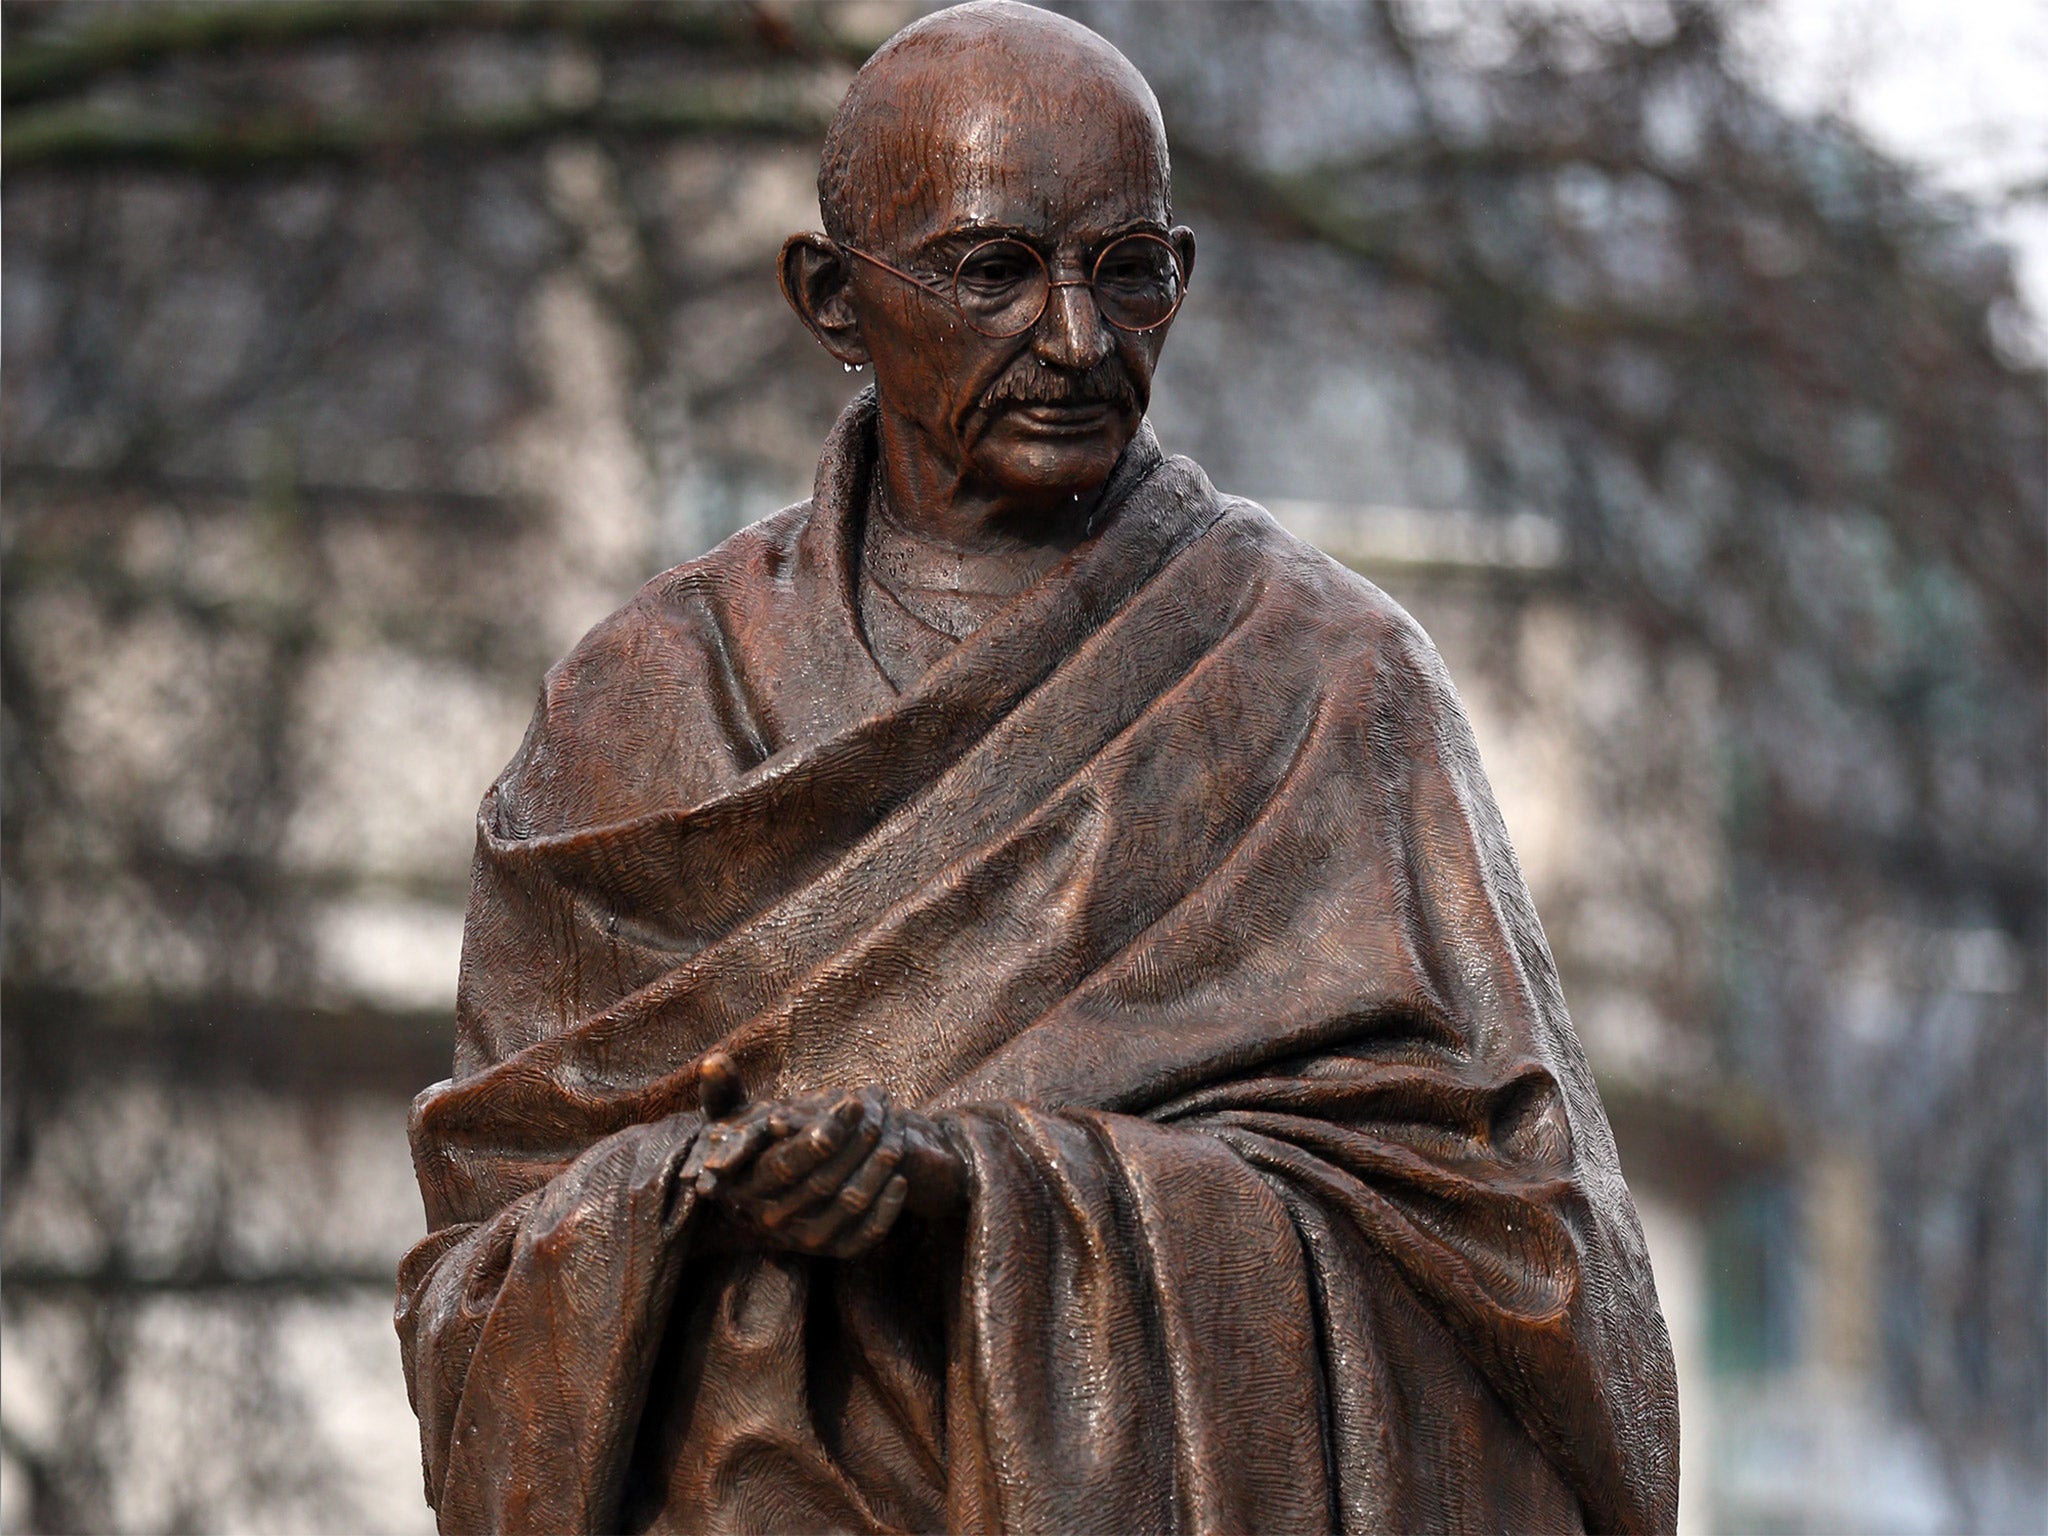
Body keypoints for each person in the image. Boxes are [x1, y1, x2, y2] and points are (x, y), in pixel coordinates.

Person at [396, 4, 1679, 1531]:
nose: (1077, 341)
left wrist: (991, 1195)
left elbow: (1532, 1275)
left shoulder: (1324, 680)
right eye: (993, 270)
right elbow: (479, 1265)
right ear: (831, 298)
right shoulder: (642, 706)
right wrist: (691, 1201)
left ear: (1180, 278)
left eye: (1127, 274)